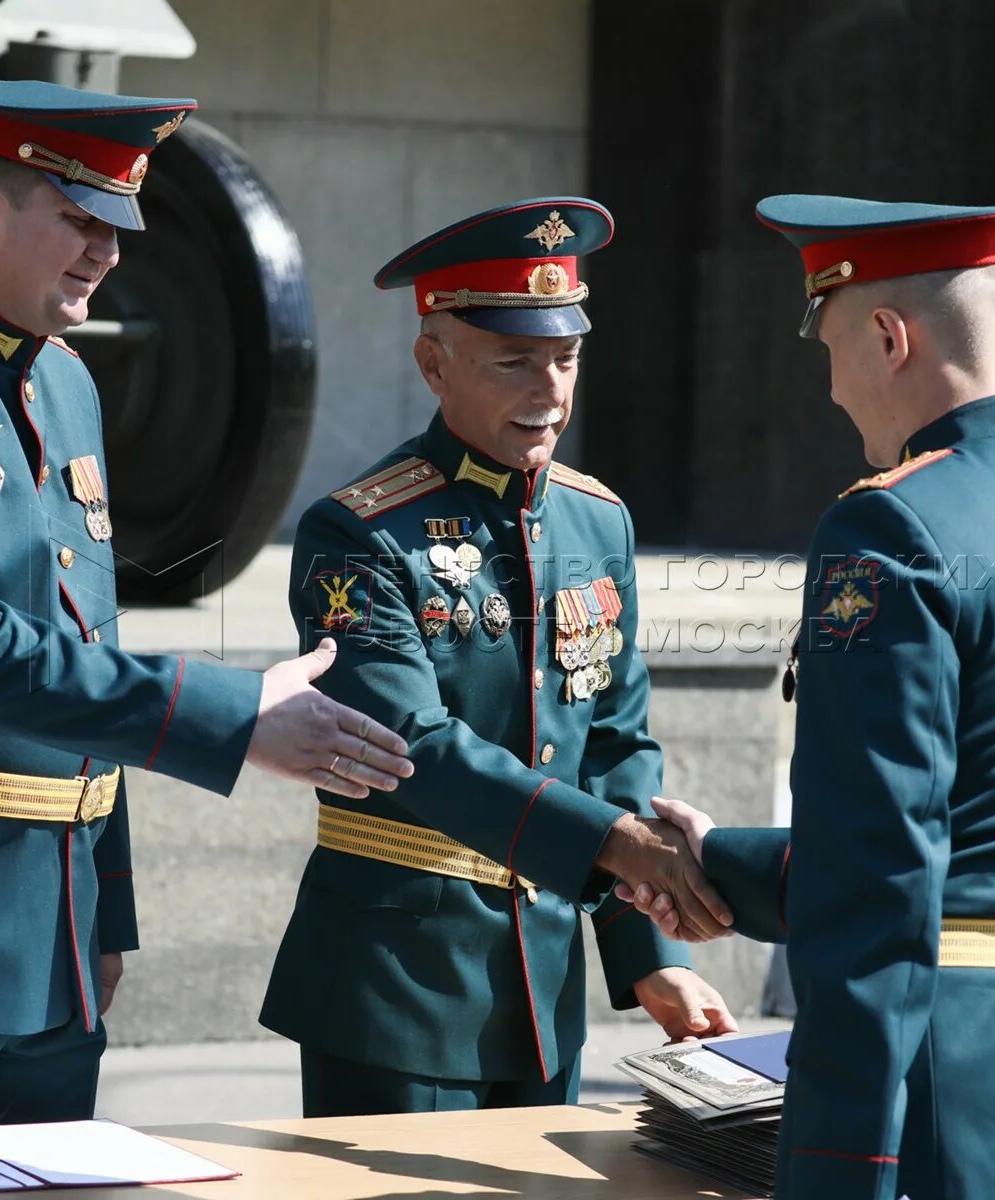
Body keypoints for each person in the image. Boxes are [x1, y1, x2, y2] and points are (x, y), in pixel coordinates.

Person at [0, 72, 412, 1132]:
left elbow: (85, 642)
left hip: (53, 950)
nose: (110, 248)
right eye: (81, 217)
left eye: (118, 223)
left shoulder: (66, 383)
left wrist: (110, 903)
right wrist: (235, 718)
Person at [619, 196, 995, 1198]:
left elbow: (880, 882)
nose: (831, 392)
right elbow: (985, 842)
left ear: (887, 336)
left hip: (939, 1091)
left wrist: (836, 1169)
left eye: (828, 347)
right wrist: (718, 867)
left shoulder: (894, 530)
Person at [259, 197, 738, 1116]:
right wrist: (614, 846)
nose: (550, 391)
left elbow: (615, 744)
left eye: (566, 360)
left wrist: (653, 962)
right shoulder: (358, 532)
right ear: (433, 363)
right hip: (398, 989)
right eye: (514, 361)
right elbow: (412, 748)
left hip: (543, 986)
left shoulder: (596, 520)